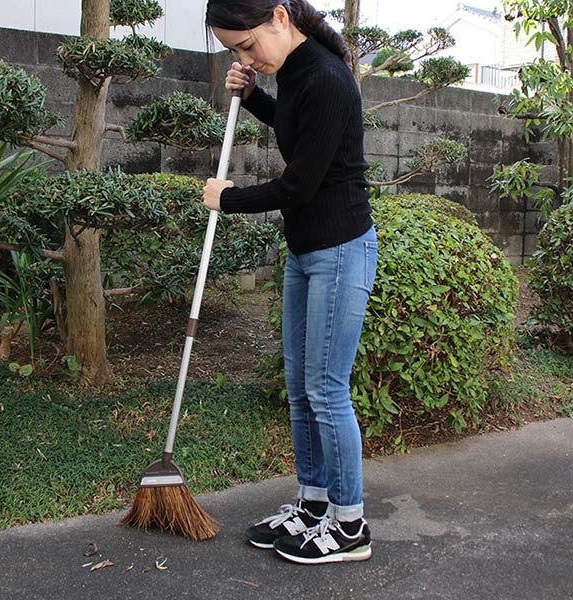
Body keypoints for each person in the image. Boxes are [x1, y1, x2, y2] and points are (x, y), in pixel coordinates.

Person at [203, 0, 378, 565]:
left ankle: (350, 527)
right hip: (306, 251)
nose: (245, 57)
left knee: (327, 390)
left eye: (247, 45)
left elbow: (300, 184)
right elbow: (293, 127)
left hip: (339, 249)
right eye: (234, 52)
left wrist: (229, 199)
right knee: (301, 387)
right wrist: (252, 96)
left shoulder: (327, 79)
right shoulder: (300, 73)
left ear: (281, 17)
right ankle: (312, 504)